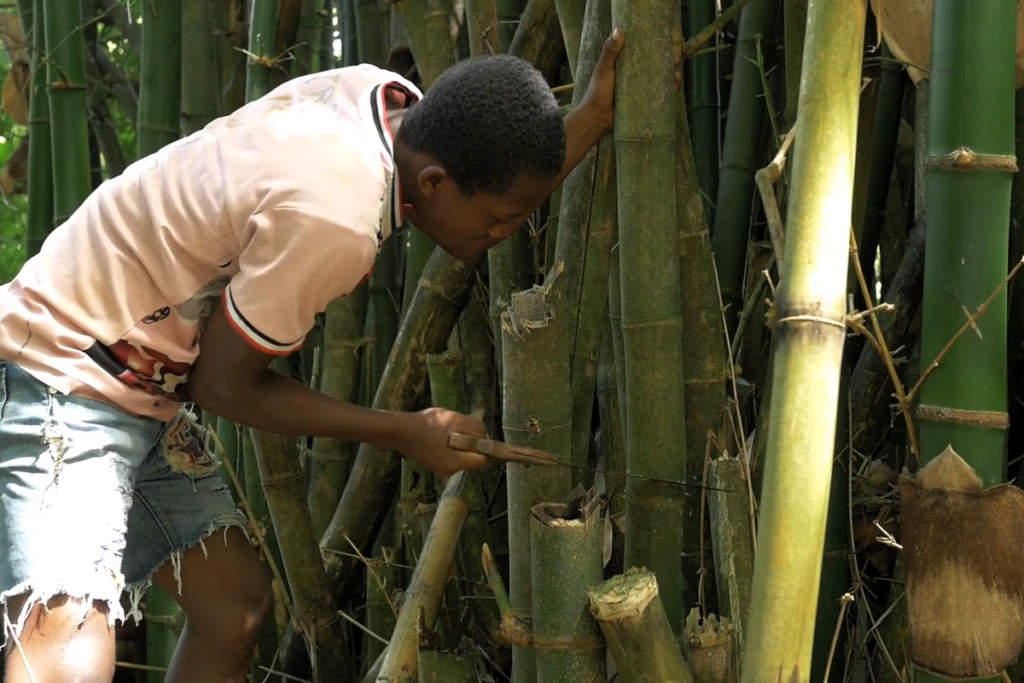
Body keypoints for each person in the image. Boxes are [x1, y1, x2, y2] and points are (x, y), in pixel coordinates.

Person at [0, 25, 625, 683]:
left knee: (233, 606)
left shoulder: (384, 102)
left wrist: (590, 119)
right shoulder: (338, 217)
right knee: (66, 638)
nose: (502, 233)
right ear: (437, 182)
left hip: (139, 380)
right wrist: (405, 431)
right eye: (497, 219)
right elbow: (225, 386)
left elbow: (498, 182)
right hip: (61, 367)